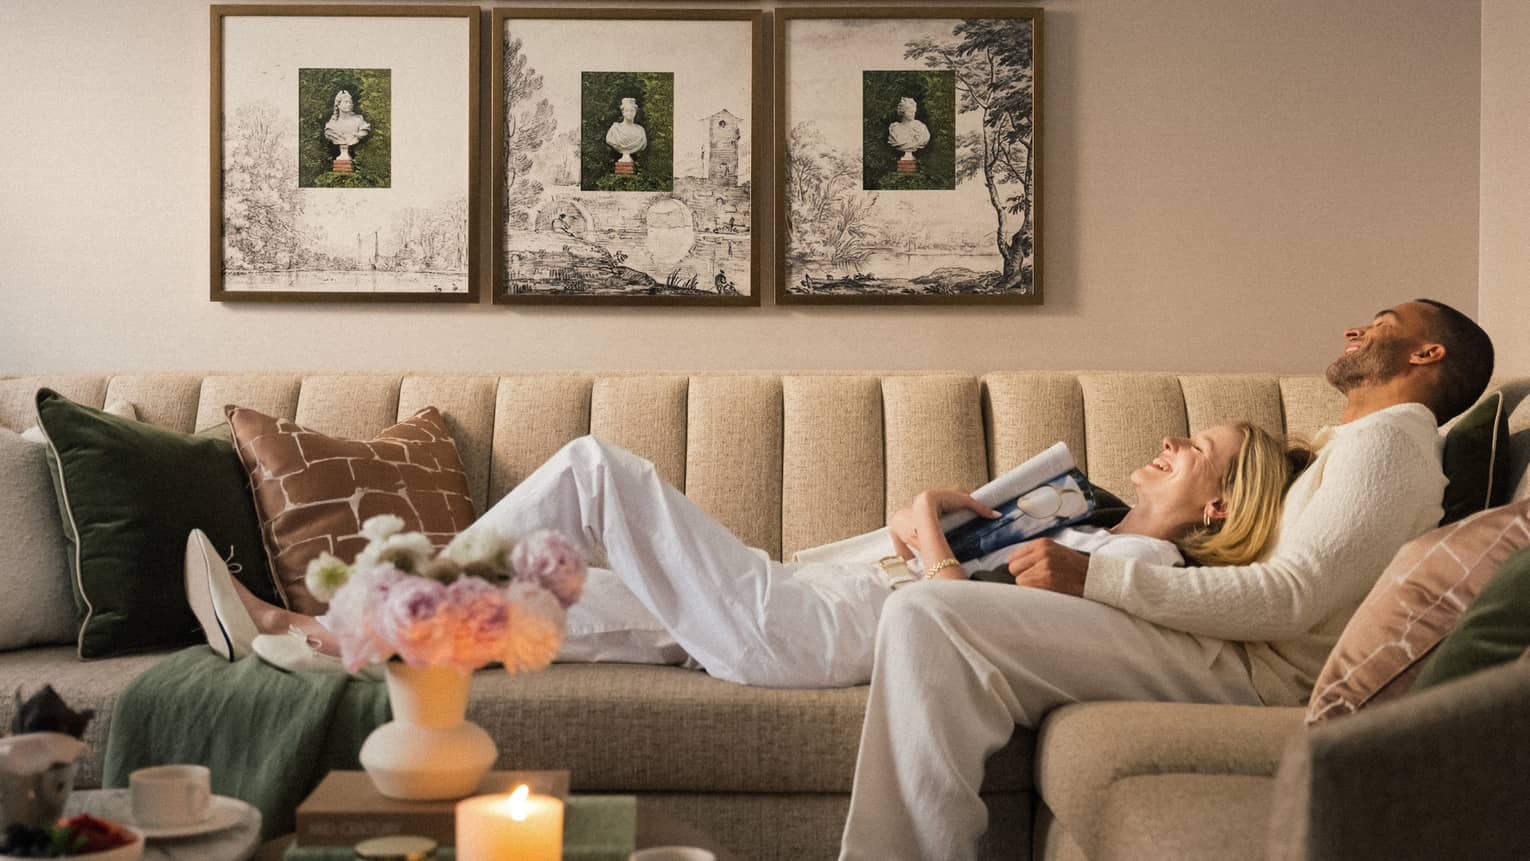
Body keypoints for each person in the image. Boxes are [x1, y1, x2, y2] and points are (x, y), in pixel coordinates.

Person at [837, 299, 1495, 861]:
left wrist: (1095, 576)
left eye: (1382, 322)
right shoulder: (1351, 443)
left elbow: (1290, 596)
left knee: (932, 614)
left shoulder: (1391, 446)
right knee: (933, 616)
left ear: (1427, 353)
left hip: (1261, 676)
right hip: (1234, 653)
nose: (1355, 331)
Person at [188, 419, 1297, 690]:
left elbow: (976, 634)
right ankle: (320, 640)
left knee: (592, 470)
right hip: (815, 597)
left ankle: (346, 612)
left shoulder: (1140, 573)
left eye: (1194, 450)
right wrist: (941, 529)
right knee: (553, 600)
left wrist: (924, 533)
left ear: (1217, 510)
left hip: (820, 629)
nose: (1166, 446)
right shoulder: (1089, 524)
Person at [604, 97, 647, 164]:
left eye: (632, 110)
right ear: (623, 112)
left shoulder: (640, 130)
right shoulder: (615, 129)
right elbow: (608, 140)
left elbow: (643, 145)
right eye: (627, 110)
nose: (629, 113)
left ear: (635, 112)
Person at [887, 96, 931, 161]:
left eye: (914, 112)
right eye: (910, 112)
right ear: (902, 112)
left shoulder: (921, 128)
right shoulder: (894, 129)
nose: (913, 114)